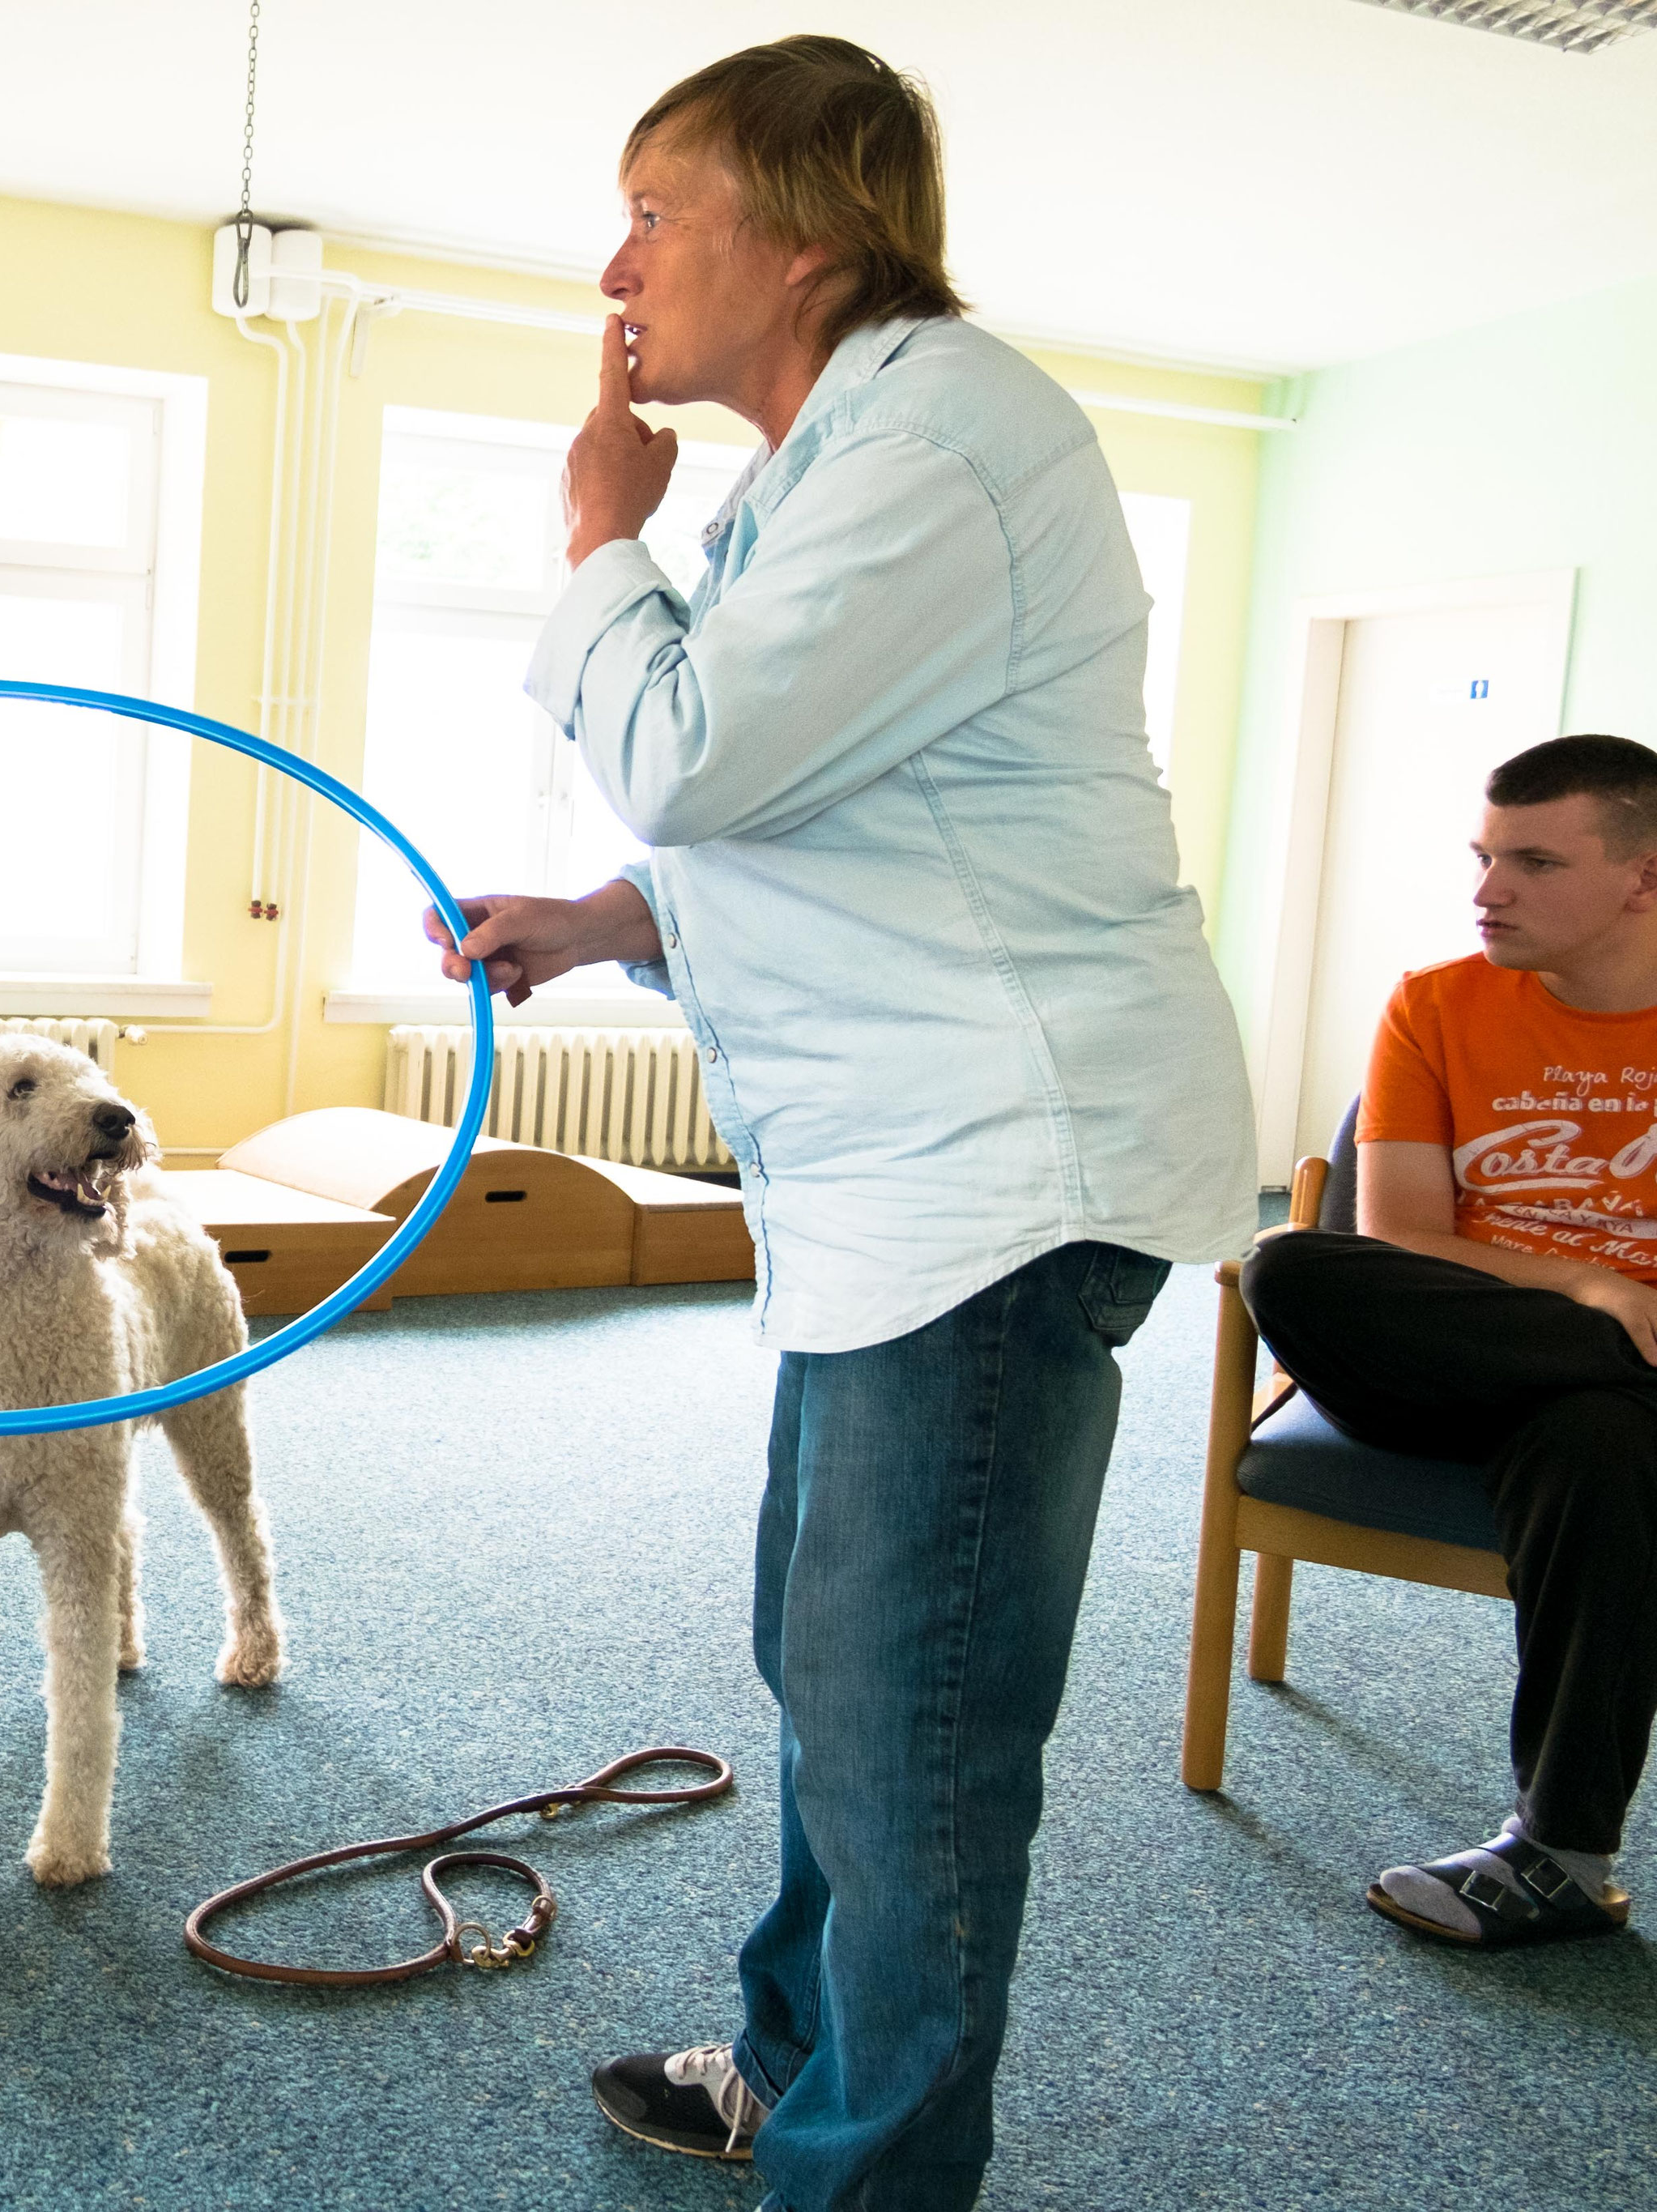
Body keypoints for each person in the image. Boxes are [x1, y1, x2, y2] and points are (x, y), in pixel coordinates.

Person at [427, 39, 1255, 2209]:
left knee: (910, 1736)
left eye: (653, 211)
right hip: (903, 1187)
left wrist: (598, 538)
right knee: (838, 1675)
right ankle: (791, 2072)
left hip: (990, 1182)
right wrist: (606, 919)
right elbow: (820, 808)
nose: (615, 266)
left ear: (807, 237)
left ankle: (860, 2170)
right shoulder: (841, 460)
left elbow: (695, 751)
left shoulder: (941, 437)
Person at [1241, 734, 1657, 1950]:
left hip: (1594, 1407)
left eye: (1534, 862)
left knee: (1599, 1441)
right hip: (1449, 1358)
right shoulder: (1436, 1002)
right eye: (1484, 857)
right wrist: (1586, 1283)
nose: (1488, 891)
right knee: (1289, 1266)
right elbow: (1403, 1239)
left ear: (1644, 877)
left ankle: (1563, 1860)